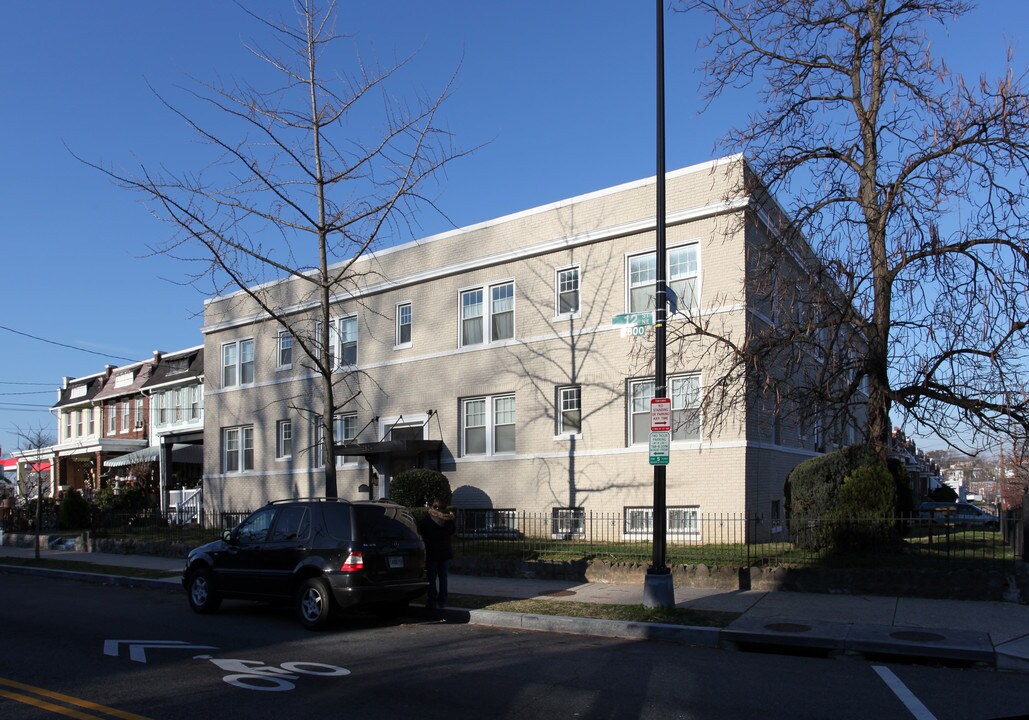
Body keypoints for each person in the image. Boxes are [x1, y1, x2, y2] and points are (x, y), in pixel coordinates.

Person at [418, 496, 455, 610]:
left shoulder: (427, 519)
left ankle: (432, 601)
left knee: (431, 578)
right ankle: (442, 601)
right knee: (443, 578)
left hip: (432, 552)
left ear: (433, 506)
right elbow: (452, 531)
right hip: (444, 552)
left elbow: (422, 531)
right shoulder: (449, 519)